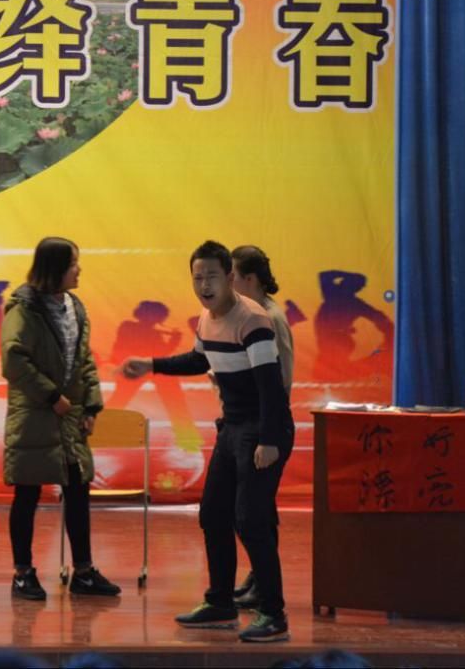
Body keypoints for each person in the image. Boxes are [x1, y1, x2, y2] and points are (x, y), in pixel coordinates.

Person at [121, 241, 293, 643]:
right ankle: (220, 602)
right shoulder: (206, 318)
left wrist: (268, 440)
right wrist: (151, 365)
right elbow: (199, 360)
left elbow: (271, 387)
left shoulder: (253, 320)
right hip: (231, 427)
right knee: (214, 514)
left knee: (251, 520)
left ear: (230, 277)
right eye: (197, 278)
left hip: (261, 428)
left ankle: (273, 613)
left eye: (212, 276)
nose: (204, 285)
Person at [3, 237, 121, 601]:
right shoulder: (24, 309)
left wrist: (91, 407)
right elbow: (13, 360)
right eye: (73, 264)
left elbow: (85, 360)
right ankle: (22, 573)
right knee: (27, 493)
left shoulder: (75, 307)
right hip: (35, 415)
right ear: (54, 268)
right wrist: (52, 396)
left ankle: (83, 572)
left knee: (78, 489)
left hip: (69, 416)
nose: (78, 269)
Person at [229, 244, 295, 610]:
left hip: (266, 423)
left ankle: (265, 588)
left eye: (233, 277)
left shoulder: (270, 317)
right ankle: (257, 576)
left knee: (256, 511)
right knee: (256, 509)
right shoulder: (246, 314)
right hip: (247, 421)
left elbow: (278, 380)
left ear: (250, 279)